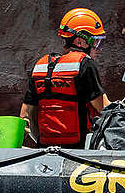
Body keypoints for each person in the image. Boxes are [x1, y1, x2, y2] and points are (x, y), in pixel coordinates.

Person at [19, 8, 110, 147]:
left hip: (44, 148)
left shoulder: (40, 66)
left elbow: (25, 116)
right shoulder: (84, 64)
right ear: (80, 41)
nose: (99, 49)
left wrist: (40, 140)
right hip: (78, 150)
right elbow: (104, 108)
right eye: (96, 42)